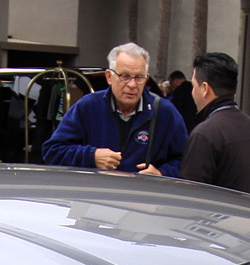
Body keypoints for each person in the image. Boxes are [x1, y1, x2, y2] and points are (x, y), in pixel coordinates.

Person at [41, 41, 188, 176]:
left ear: (146, 78)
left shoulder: (165, 112)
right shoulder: (88, 107)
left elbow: (186, 161)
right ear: (109, 77)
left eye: (139, 77)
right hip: (97, 198)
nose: (132, 84)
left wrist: (161, 174)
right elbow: (52, 151)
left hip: (143, 199)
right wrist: (92, 156)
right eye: (125, 76)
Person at [180, 51, 250, 196]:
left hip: (213, 217)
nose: (192, 92)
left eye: (193, 86)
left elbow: (190, 195)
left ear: (205, 88)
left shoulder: (204, 135)